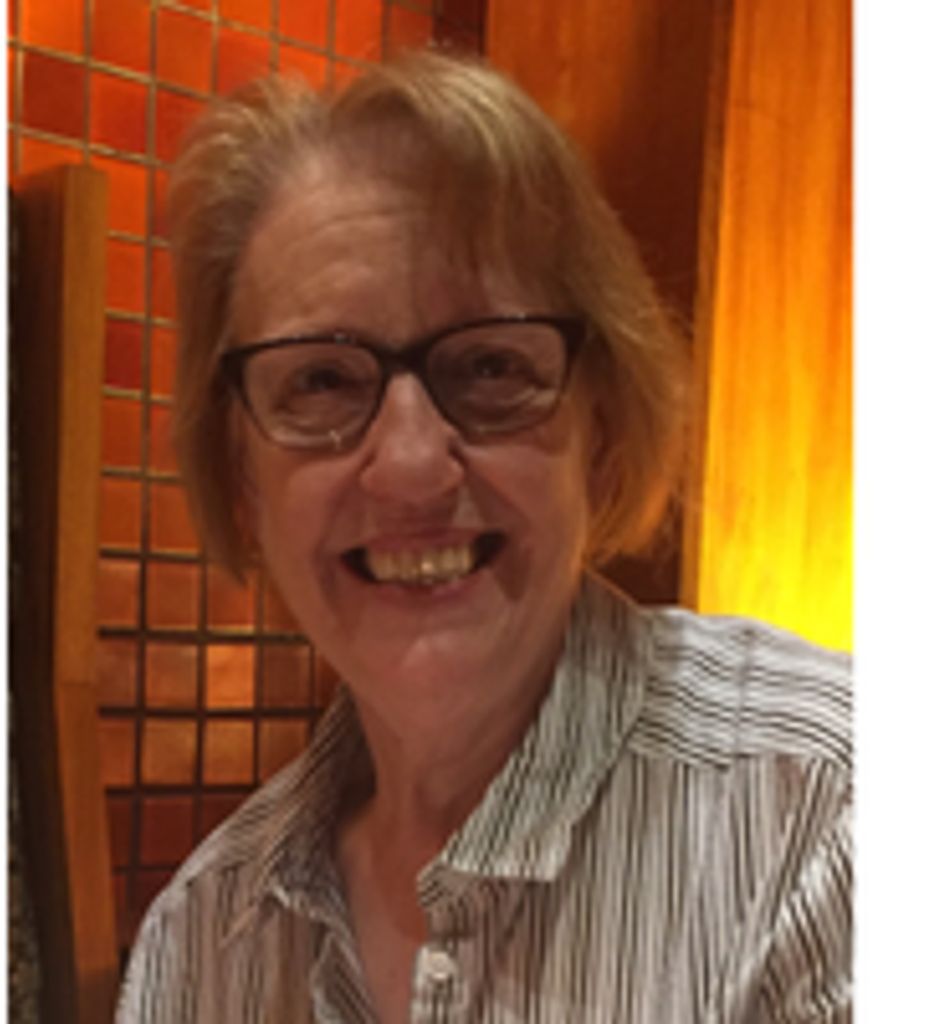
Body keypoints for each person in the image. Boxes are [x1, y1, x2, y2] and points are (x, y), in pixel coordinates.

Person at [116, 51, 851, 1023]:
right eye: (321, 381)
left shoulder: (832, 819)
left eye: (492, 367)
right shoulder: (199, 939)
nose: (411, 464)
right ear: (243, 471)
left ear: (600, 427)